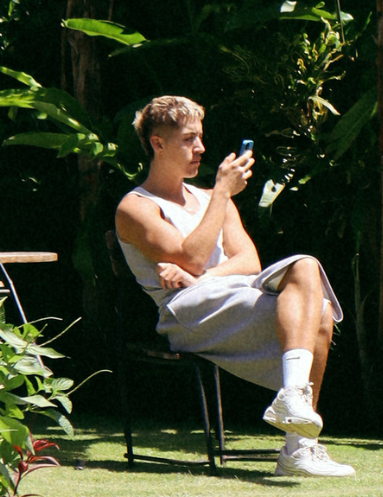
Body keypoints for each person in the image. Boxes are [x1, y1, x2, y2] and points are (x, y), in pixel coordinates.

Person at [114, 95, 353, 478]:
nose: (200, 148)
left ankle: (296, 426)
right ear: (158, 144)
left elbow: (248, 262)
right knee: (317, 311)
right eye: (189, 139)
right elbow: (191, 256)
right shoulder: (136, 206)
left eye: (200, 137)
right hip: (185, 313)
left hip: (225, 292)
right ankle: (299, 444)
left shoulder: (211, 199)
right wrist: (222, 195)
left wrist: (202, 275)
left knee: (309, 275)